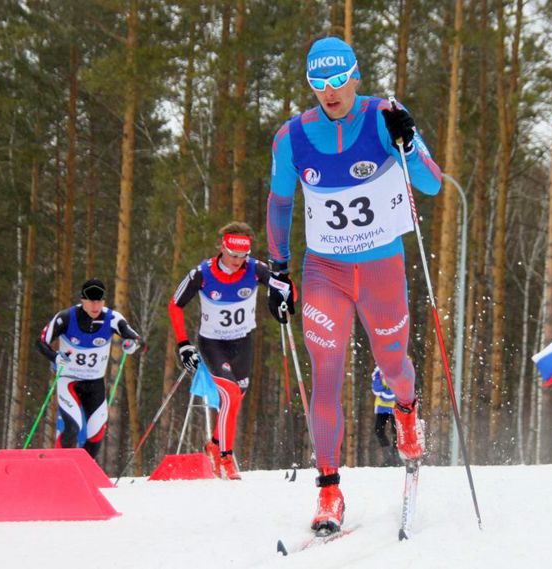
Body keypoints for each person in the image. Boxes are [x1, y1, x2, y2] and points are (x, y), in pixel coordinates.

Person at [266, 36, 441, 533]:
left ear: (355, 75)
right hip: (326, 272)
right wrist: (278, 269)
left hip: (381, 269)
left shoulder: (385, 115)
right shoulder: (291, 137)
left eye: (338, 79)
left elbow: (432, 183)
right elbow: (280, 204)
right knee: (326, 373)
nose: (330, 91)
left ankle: (407, 410)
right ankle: (329, 491)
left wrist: (408, 141)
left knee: (393, 363)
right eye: (318, 83)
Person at [169, 221, 272, 480]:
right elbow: (174, 305)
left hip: (243, 342)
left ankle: (214, 445)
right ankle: (226, 459)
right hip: (213, 344)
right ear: (222, 248)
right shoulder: (202, 274)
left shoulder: (256, 269)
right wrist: (183, 344)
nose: (238, 261)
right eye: (233, 255)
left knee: (236, 399)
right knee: (230, 394)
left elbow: (284, 288)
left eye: (243, 256)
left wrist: (284, 297)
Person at [36, 279, 142, 460]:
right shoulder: (66, 317)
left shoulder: (113, 318)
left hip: (95, 383)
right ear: (82, 300)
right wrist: (55, 357)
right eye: (91, 301)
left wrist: (131, 344)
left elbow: (135, 338)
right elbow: (40, 342)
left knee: (97, 434)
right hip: (69, 381)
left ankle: (82, 472)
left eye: (99, 301)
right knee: (72, 428)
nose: (95, 305)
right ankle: (54, 467)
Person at [371, 366, 400, 467]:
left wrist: (385, 393)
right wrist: (388, 393)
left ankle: (397, 458)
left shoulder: (400, 365)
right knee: (379, 430)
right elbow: (376, 387)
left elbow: (400, 386)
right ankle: (388, 458)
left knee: (396, 432)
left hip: (396, 405)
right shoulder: (379, 368)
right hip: (381, 406)